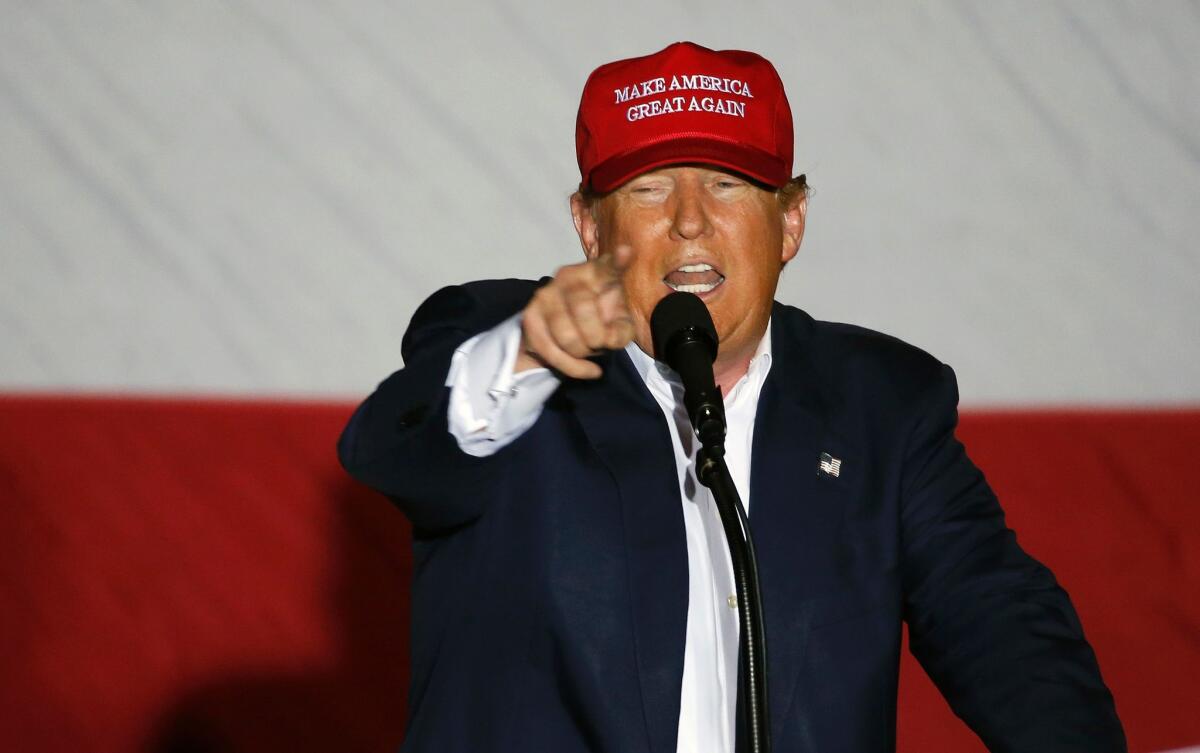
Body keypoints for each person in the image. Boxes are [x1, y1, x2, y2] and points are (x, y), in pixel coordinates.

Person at [339, 42, 1125, 753]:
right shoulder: (508, 353)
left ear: (790, 222)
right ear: (587, 224)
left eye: (727, 184)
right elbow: (394, 451)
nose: (689, 222)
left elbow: (1004, 627)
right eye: (649, 188)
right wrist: (527, 353)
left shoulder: (878, 405)